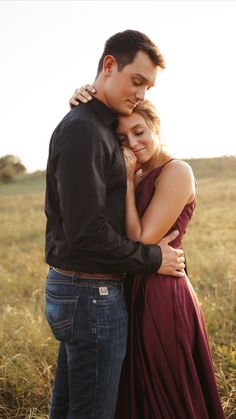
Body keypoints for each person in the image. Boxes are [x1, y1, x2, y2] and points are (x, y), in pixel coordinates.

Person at [44, 30, 185, 419]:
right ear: (109, 65)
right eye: (136, 81)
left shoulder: (101, 124)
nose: (141, 94)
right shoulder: (85, 130)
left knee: (72, 408)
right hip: (90, 294)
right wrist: (153, 259)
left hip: (87, 290)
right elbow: (86, 233)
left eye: (148, 87)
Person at [69, 87, 225, 418]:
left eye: (139, 131)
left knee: (165, 389)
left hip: (162, 292)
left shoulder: (176, 171)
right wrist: (80, 106)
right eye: (122, 137)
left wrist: (127, 182)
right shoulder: (130, 168)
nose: (133, 143)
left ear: (156, 127)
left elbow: (142, 239)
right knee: (136, 390)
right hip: (128, 289)